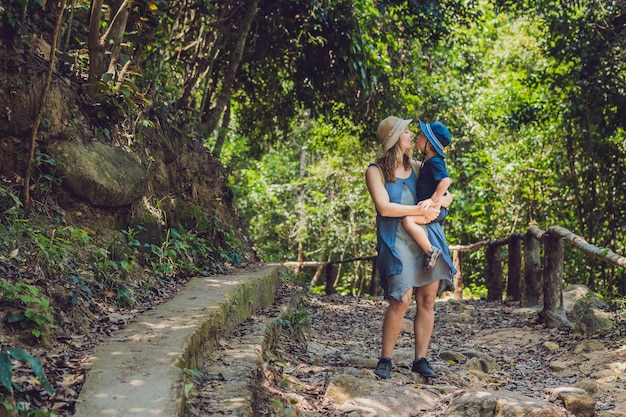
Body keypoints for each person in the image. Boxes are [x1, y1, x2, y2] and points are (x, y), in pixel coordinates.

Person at [365, 115, 456, 380]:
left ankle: (421, 359)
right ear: (395, 139)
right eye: (405, 131)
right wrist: (420, 209)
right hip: (397, 241)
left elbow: (448, 193)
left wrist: (439, 203)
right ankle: (386, 359)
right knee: (400, 299)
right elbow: (384, 207)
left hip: (423, 236)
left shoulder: (418, 166)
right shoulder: (376, 171)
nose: (410, 135)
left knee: (427, 300)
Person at [402, 121, 452, 272]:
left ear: (429, 143)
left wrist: (433, 200)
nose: (417, 137)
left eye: (422, 135)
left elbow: (445, 181)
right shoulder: (429, 161)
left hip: (435, 209)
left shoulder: (435, 161)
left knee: (408, 220)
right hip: (434, 208)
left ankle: (430, 251)